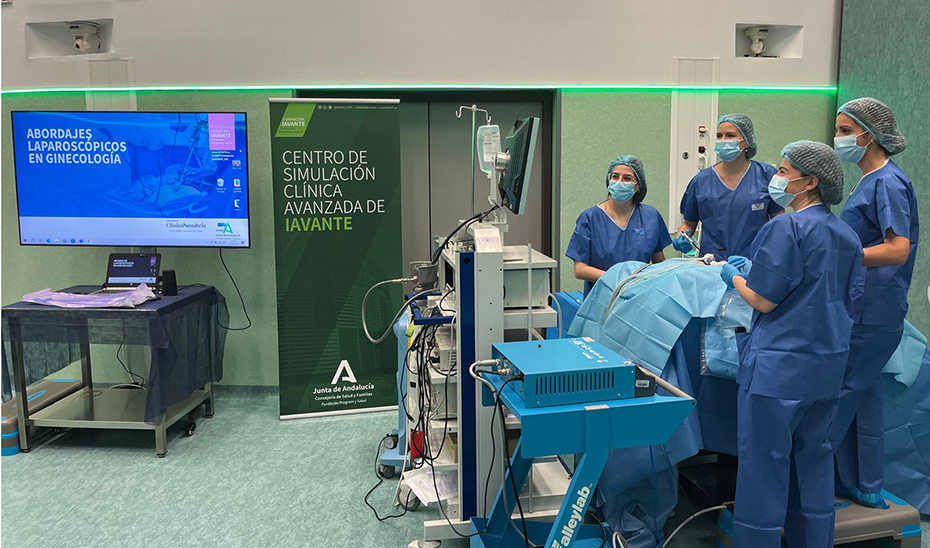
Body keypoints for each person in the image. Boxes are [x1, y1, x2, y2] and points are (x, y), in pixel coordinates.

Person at [719, 141, 863, 547]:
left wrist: (734, 277)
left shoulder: (787, 225)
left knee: (764, 467)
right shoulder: (846, 235)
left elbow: (764, 298)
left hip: (777, 373)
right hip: (826, 369)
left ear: (810, 181)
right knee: (814, 463)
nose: (776, 178)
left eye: (784, 171)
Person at [830, 97, 919, 508]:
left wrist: (838, 253)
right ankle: (863, 483)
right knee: (863, 397)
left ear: (869, 135)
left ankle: (813, 485)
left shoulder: (888, 183)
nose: (839, 138)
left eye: (846, 130)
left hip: (873, 311)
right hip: (864, 306)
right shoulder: (868, 182)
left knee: (841, 394)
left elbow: (897, 249)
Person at [673, 114, 784, 260]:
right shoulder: (701, 181)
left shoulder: (766, 176)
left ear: (747, 140)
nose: (723, 140)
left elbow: (780, 222)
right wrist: (681, 238)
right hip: (712, 262)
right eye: (719, 136)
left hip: (755, 263)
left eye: (730, 135)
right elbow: (688, 223)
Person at [567, 155, 672, 297]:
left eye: (627, 178)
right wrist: (618, 280)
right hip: (601, 299)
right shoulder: (590, 218)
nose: (620, 182)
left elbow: (659, 263)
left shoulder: (651, 217)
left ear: (637, 186)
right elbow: (580, 270)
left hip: (639, 297)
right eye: (615, 177)